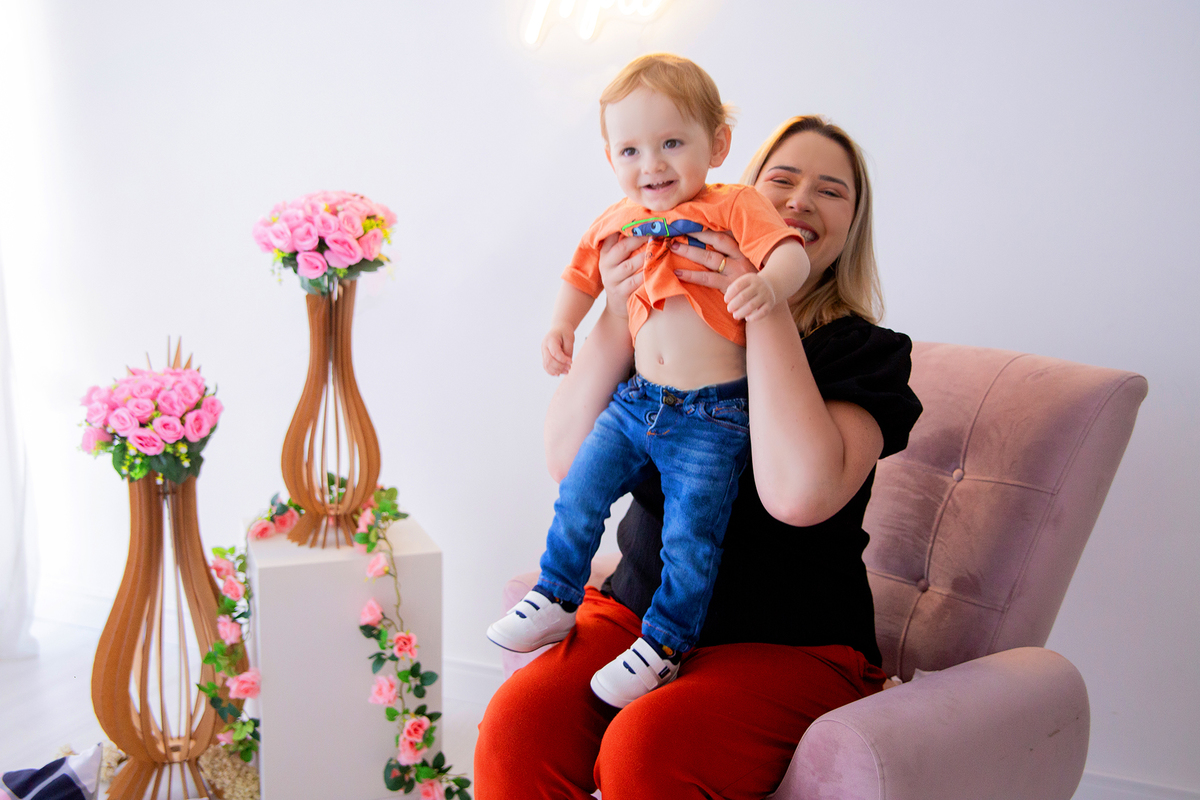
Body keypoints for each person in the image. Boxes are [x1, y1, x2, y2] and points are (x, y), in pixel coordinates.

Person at [475, 114, 923, 800]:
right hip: (635, 614)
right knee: (518, 727)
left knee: (648, 749)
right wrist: (616, 310)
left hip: (788, 641)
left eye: (831, 191)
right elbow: (568, 458)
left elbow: (798, 496)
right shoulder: (669, 316)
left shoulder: (865, 352)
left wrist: (764, 305)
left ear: (851, 226)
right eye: (781, 180)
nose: (800, 200)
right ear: (735, 196)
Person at [486, 53, 809, 708]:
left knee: (690, 534)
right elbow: (580, 276)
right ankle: (555, 593)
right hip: (635, 402)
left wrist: (767, 286)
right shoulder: (617, 219)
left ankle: (664, 643)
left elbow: (790, 253)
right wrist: (562, 326)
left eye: (671, 143)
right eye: (631, 150)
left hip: (713, 415)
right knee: (580, 490)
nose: (651, 164)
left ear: (717, 144)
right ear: (611, 158)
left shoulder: (735, 205)